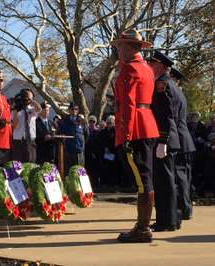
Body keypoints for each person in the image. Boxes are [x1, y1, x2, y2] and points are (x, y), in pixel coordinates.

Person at [112, 29, 159, 243]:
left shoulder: (129, 69)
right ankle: (142, 226)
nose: (118, 49)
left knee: (142, 181)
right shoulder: (147, 69)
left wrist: (127, 135)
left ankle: (142, 229)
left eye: (121, 46)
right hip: (147, 125)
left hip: (136, 129)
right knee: (145, 179)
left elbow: (128, 105)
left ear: (132, 48)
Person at [149, 51, 182, 231]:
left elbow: (166, 115)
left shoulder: (162, 84)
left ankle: (166, 221)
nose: (150, 67)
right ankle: (173, 218)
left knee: (164, 182)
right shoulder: (172, 84)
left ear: (161, 66)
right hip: (171, 138)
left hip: (165, 139)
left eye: (152, 64)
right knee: (170, 181)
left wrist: (162, 140)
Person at [170, 67, 196, 220]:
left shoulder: (175, 93)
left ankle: (184, 208)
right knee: (184, 176)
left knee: (180, 177)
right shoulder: (180, 93)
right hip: (184, 140)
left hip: (179, 140)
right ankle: (186, 207)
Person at [12, 88, 41, 163]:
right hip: (18, 141)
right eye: (24, 96)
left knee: (31, 162)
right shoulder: (16, 109)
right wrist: (15, 111)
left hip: (30, 140)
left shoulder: (33, 109)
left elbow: (39, 109)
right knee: (18, 164)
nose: (26, 98)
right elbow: (14, 126)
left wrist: (31, 100)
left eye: (28, 96)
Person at [60, 102, 87, 172]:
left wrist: (82, 145)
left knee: (80, 173)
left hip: (79, 152)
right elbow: (61, 134)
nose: (74, 111)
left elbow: (87, 134)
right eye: (72, 109)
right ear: (69, 110)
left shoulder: (81, 121)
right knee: (70, 172)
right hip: (69, 152)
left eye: (76, 109)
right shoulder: (64, 121)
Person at [84, 115, 99, 190]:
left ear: (95, 122)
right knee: (87, 170)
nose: (92, 123)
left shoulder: (97, 131)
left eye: (93, 121)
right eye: (90, 121)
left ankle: (95, 185)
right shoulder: (86, 130)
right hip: (87, 153)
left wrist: (95, 152)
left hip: (95, 153)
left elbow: (98, 143)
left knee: (94, 170)